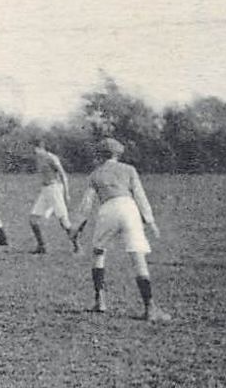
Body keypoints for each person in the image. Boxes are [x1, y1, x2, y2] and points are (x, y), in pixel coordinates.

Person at [69, 138, 170, 322]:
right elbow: (139, 195)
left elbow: (86, 205)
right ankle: (150, 307)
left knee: (99, 253)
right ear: (118, 153)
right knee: (137, 256)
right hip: (128, 208)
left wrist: (77, 227)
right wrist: (150, 221)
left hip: (107, 209)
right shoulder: (129, 169)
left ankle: (100, 301)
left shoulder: (95, 174)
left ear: (100, 155)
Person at [28, 138, 80, 255]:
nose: (33, 152)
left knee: (63, 221)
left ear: (40, 148)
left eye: (35, 149)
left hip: (55, 189)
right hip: (45, 190)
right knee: (33, 219)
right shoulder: (38, 159)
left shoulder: (51, 158)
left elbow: (63, 175)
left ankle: (77, 246)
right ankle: (42, 246)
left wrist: (66, 193)